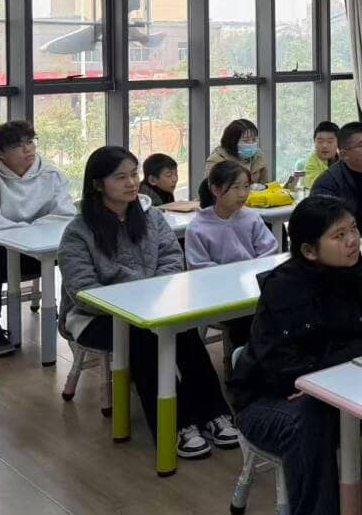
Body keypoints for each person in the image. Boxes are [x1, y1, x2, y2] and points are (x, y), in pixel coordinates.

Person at [232, 196, 362, 515]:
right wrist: (358, 354)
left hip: (346, 384)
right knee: (311, 417)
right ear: (309, 250)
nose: (353, 240)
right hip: (269, 399)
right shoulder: (283, 287)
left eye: (353, 229)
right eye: (339, 236)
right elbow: (282, 369)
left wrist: (339, 365)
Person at [58, 146, 239, 461]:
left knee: (182, 329)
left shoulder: (151, 216)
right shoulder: (78, 230)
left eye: (133, 174)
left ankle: (214, 414)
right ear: (98, 184)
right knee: (143, 336)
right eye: (120, 177)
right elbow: (82, 290)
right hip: (94, 317)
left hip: (156, 307)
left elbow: (172, 258)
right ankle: (178, 424)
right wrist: (137, 301)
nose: (131, 183)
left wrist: (154, 297)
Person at [0, 120, 76, 358]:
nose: (28, 149)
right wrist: (30, 230)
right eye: (17, 145)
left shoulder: (52, 174)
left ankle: (77, 314)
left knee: (79, 245)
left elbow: (65, 215)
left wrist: (28, 233)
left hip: (43, 251)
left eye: (30, 141)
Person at [185, 160, 280, 346]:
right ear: (215, 190)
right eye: (235, 187)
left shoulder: (251, 217)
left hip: (254, 286)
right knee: (248, 323)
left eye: (246, 186)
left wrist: (252, 274)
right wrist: (235, 277)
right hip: (220, 293)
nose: (243, 194)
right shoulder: (197, 228)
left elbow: (269, 251)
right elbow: (200, 269)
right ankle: (243, 359)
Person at [205, 119, 270, 185]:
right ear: (232, 142)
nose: (251, 143)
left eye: (254, 139)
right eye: (245, 140)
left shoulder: (258, 155)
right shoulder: (216, 159)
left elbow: (265, 184)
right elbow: (214, 188)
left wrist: (261, 188)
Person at [302, 121, 339, 190]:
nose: (324, 146)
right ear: (314, 142)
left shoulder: (346, 160)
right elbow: (316, 185)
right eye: (320, 142)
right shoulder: (310, 164)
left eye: (330, 142)